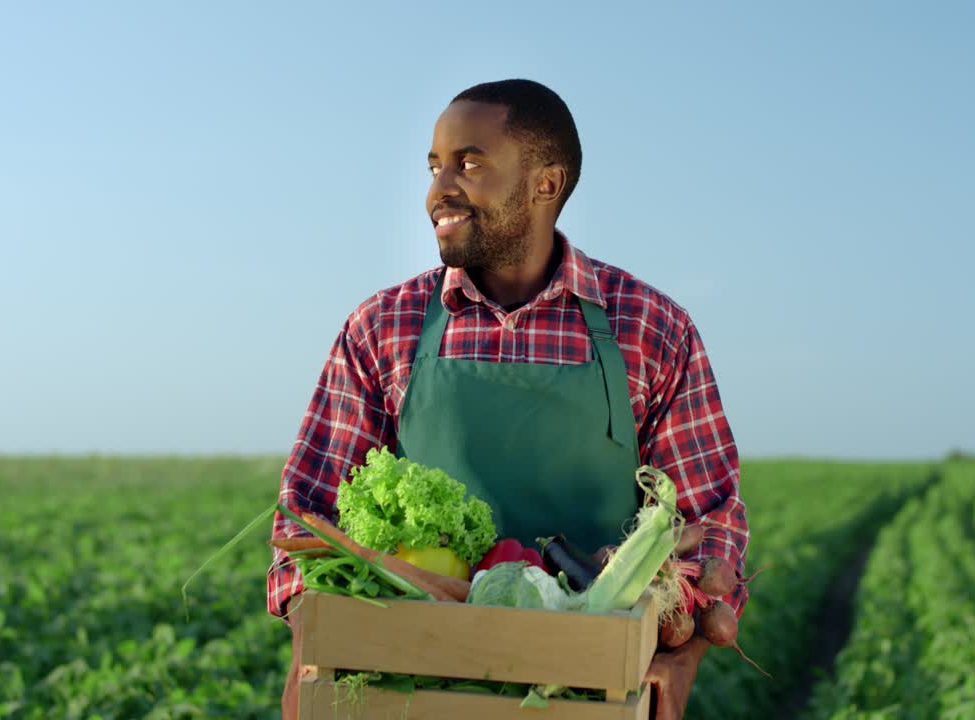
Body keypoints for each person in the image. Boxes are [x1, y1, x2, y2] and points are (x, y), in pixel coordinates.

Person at [269, 79, 748, 720]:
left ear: (546, 184)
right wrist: (311, 643)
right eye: (435, 166)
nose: (439, 188)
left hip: (587, 690)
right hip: (411, 686)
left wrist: (679, 659)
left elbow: (709, 523)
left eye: (468, 163)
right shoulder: (384, 327)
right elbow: (305, 521)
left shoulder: (649, 328)